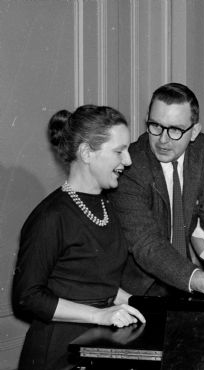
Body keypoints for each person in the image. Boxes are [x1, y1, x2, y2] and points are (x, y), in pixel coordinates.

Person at [12, 105, 145, 370]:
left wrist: (138, 305)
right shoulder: (52, 216)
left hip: (96, 343)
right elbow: (27, 297)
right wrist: (99, 315)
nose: (128, 161)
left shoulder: (106, 205)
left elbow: (92, 281)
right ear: (86, 153)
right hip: (57, 351)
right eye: (119, 151)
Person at [109, 82, 204, 300]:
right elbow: (147, 244)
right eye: (155, 126)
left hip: (185, 278)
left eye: (175, 130)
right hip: (138, 288)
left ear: (194, 131)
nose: (163, 140)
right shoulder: (130, 165)